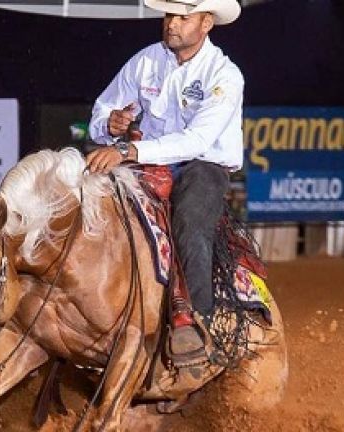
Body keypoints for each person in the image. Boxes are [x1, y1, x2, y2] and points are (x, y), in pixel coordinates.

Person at [86, 0, 244, 363]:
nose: (171, 23)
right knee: (90, 194)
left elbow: (197, 141)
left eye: (181, 17)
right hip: (144, 158)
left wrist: (127, 152)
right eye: (168, 15)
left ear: (206, 23)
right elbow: (102, 108)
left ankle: (198, 323)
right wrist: (109, 124)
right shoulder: (145, 61)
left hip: (201, 165)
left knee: (189, 221)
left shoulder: (224, 75)